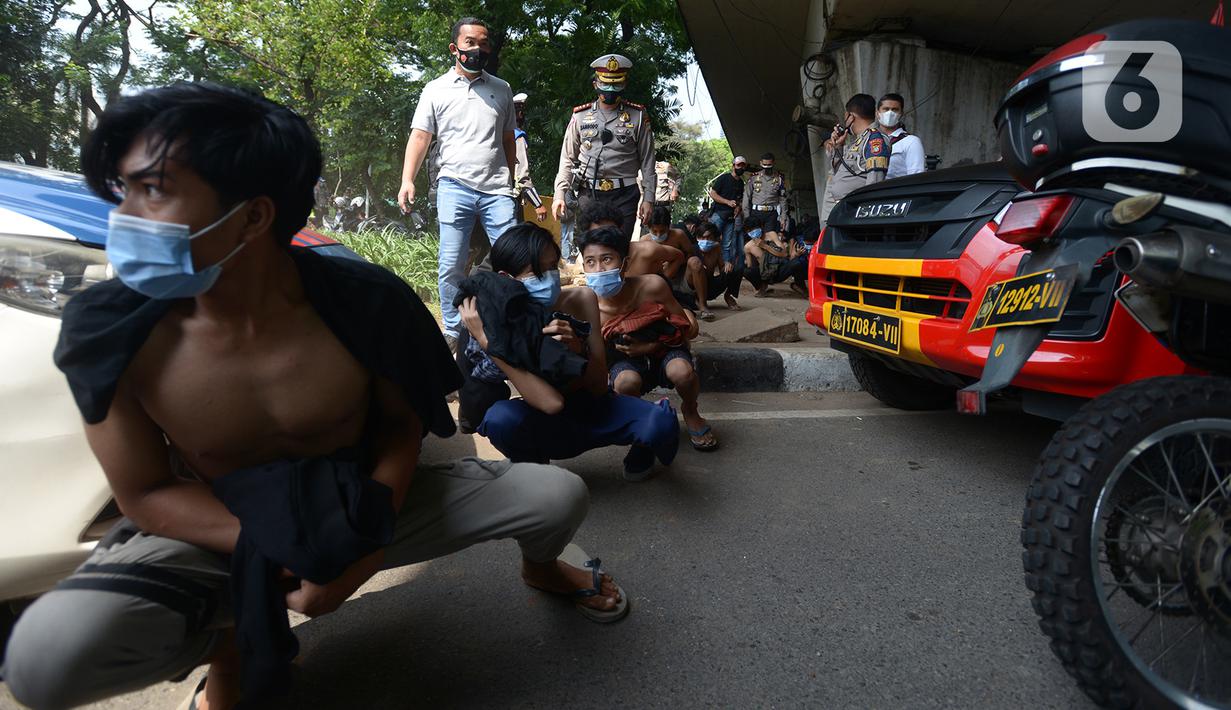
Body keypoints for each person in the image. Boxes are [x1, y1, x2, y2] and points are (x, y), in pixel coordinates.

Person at [1, 82, 630, 710]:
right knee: (47, 659)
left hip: (366, 503)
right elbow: (145, 493)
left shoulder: (366, 302)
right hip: (215, 526)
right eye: (125, 188)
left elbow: (399, 429)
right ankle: (230, 645)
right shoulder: (109, 330)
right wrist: (273, 555)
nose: (124, 215)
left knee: (554, 495)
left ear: (254, 215)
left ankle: (542, 568)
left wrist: (364, 541)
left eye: (154, 190)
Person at [457, 222, 679, 480]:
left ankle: (643, 449)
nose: (550, 278)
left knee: (660, 423)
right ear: (507, 278)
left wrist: (579, 350)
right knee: (500, 420)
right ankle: (534, 466)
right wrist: (489, 343)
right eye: (538, 271)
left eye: (553, 267)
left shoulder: (581, 300)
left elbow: (598, 387)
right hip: (541, 415)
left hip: (592, 409)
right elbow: (549, 403)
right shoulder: (494, 321)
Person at [398, 17, 519, 354]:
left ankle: (506, 325)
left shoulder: (502, 89)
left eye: (484, 43)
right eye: (470, 43)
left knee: (513, 259)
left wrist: (511, 179)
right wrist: (407, 180)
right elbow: (420, 137)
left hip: (497, 190)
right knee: (451, 263)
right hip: (454, 186)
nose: (478, 49)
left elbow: (508, 139)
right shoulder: (435, 89)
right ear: (455, 48)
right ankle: (453, 330)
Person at [577, 226, 719, 452]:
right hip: (624, 362)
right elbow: (594, 357)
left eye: (607, 259)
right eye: (590, 262)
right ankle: (641, 422)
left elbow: (684, 329)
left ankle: (691, 411)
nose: (599, 269)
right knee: (625, 382)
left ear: (624, 264)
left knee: (682, 372)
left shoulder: (652, 286)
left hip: (664, 349)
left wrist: (653, 345)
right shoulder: (586, 305)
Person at [552, 54, 656, 241]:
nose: (610, 90)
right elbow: (567, 158)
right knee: (590, 246)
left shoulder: (638, 116)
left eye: (616, 84)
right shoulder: (580, 116)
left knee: (619, 247)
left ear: (624, 84)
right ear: (595, 84)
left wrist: (648, 198)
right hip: (589, 193)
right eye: (605, 84)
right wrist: (560, 194)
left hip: (624, 194)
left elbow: (648, 160)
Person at [821, 93, 889, 223]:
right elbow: (837, 172)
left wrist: (865, 217)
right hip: (845, 210)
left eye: (845, 117)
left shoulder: (874, 139)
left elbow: (875, 180)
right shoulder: (857, 142)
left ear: (851, 116)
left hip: (856, 213)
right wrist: (838, 146)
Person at [740, 213, 807, 297]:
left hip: (779, 270)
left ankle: (800, 286)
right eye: (749, 231)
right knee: (746, 271)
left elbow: (784, 254)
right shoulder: (748, 247)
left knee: (797, 262)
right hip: (765, 274)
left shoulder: (771, 235)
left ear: (761, 227)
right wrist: (756, 284)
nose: (752, 232)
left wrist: (765, 246)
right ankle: (761, 288)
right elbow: (750, 267)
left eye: (754, 229)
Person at [687, 220, 741, 320]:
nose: (705, 240)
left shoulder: (716, 249)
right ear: (697, 237)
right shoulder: (692, 249)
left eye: (709, 237)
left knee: (736, 269)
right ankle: (701, 304)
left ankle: (728, 296)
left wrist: (726, 265)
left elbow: (722, 268)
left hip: (710, 288)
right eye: (702, 237)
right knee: (695, 264)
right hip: (694, 291)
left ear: (714, 238)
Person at [706, 156, 747, 280]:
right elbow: (713, 194)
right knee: (710, 240)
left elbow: (739, 200)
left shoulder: (741, 183)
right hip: (718, 215)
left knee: (727, 245)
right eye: (738, 165)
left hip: (731, 218)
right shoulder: (724, 178)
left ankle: (725, 272)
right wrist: (727, 202)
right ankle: (706, 268)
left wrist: (738, 207)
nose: (741, 167)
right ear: (733, 166)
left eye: (743, 165)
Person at [512, 91, 548, 222]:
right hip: (510, 199)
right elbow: (522, 177)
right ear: (519, 114)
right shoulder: (517, 137)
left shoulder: (497, 134)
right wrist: (538, 204)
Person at [877, 93, 925, 179]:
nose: (890, 113)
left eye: (895, 110)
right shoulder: (868, 139)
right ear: (877, 113)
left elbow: (916, 177)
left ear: (901, 113)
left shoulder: (911, 142)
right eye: (886, 109)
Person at [742, 152, 787, 232]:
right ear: (760, 163)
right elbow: (746, 197)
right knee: (756, 236)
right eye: (764, 165)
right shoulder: (754, 177)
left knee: (770, 236)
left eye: (769, 165)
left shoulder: (779, 179)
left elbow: (782, 200)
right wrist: (747, 216)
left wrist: (783, 217)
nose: (766, 167)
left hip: (771, 213)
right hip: (756, 213)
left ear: (773, 163)